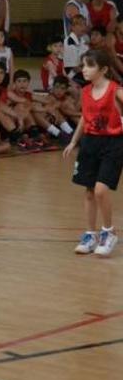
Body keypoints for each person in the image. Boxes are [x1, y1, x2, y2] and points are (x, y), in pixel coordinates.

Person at [64, 49, 122, 257]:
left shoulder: (116, 90)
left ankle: (108, 232)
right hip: (90, 143)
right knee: (88, 191)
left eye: (89, 66)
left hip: (113, 144)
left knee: (100, 190)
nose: (85, 69)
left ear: (104, 69)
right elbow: (83, 118)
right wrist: (73, 141)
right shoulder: (86, 91)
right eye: (84, 65)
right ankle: (91, 235)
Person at [63, 14, 89, 88]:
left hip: (81, 72)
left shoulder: (83, 41)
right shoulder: (69, 42)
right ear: (72, 27)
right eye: (80, 25)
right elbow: (74, 68)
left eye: (84, 25)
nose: (83, 27)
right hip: (71, 76)